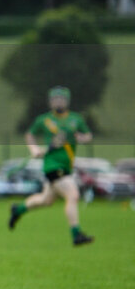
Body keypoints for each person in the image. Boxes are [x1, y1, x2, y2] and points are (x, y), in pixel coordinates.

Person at [8, 86, 94, 246]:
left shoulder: (76, 119)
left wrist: (83, 138)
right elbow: (29, 134)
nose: (58, 102)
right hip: (52, 165)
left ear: (67, 101)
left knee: (46, 200)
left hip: (66, 166)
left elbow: (88, 135)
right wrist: (33, 148)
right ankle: (76, 234)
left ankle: (17, 210)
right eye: (55, 99)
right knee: (73, 195)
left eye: (61, 99)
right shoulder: (44, 120)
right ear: (50, 102)